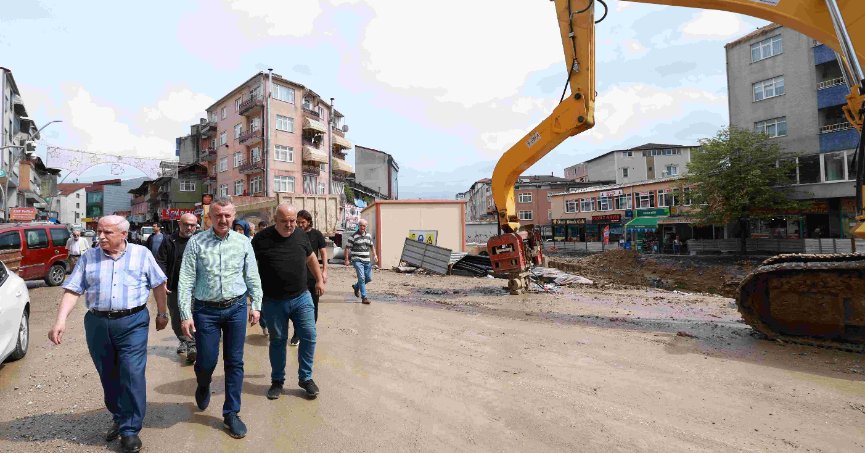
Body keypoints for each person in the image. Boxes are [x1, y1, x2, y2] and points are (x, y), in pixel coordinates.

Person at [48, 215, 168, 453]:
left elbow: (158, 284)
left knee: (132, 373)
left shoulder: (141, 254)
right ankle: (119, 415)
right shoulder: (89, 257)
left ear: (123, 234)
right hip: (98, 323)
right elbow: (73, 290)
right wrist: (60, 320)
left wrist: (162, 313)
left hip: (133, 321)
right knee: (108, 373)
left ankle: (130, 429)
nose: (100, 236)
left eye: (107, 233)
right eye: (99, 231)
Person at [178, 197, 262, 439]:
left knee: (235, 362)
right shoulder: (197, 242)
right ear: (210, 218)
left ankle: (231, 413)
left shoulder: (243, 242)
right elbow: (185, 281)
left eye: (227, 215)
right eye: (218, 215)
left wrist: (256, 305)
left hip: (236, 308)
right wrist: (185, 314)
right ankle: (203, 384)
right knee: (207, 361)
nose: (223, 220)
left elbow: (252, 276)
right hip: (206, 311)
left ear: (233, 216)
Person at [252, 204, 325, 401]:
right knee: (278, 341)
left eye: (293, 221)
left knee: (309, 335)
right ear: (275, 220)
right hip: (273, 301)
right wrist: (252, 298)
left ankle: (306, 378)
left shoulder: (301, 236)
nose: (290, 225)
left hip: (301, 296)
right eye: (285, 221)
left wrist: (319, 279)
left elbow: (311, 258)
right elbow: (249, 267)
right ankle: (277, 381)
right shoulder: (261, 239)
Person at [155, 213, 198, 364]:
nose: (189, 227)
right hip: (174, 286)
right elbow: (161, 261)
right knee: (176, 317)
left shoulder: (200, 240)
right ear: (180, 224)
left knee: (192, 315)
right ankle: (184, 340)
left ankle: (192, 345)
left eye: (192, 225)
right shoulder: (169, 240)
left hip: (195, 288)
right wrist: (163, 279)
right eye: (186, 224)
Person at [293, 209, 328, 346]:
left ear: (309, 222)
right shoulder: (294, 234)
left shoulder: (316, 234)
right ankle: (297, 334)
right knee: (296, 307)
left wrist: (324, 272)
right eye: (298, 222)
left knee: (313, 305)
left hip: (313, 276)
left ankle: (309, 332)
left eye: (302, 222)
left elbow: (324, 254)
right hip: (297, 277)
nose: (300, 225)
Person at [344, 219, 377, 304]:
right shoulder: (353, 236)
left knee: (368, 278)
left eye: (364, 226)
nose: (362, 227)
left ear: (366, 227)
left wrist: (375, 255)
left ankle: (356, 286)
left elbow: (372, 246)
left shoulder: (368, 236)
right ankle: (364, 297)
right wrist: (347, 259)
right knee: (362, 278)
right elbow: (347, 248)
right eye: (361, 225)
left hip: (367, 261)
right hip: (357, 260)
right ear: (358, 226)